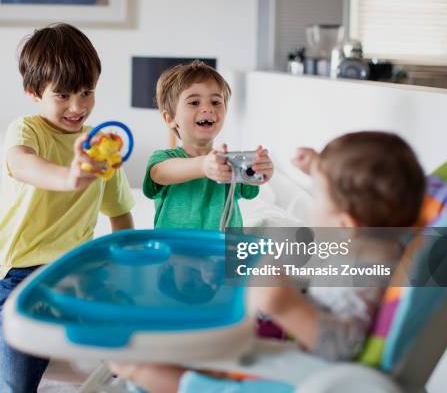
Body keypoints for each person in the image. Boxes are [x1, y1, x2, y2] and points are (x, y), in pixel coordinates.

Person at [112, 131, 425, 392]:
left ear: (345, 225)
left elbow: (344, 346)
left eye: (319, 196)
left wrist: (283, 304)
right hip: (301, 359)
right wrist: (318, 166)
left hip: (316, 377)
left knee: (156, 371)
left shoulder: (359, 269)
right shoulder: (377, 244)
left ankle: (136, 368)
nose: (315, 206)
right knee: (202, 350)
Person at [0, 23, 134, 393]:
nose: (77, 106)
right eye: (62, 95)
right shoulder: (25, 130)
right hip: (18, 273)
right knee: (16, 386)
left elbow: (119, 212)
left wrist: (124, 270)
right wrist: (70, 176)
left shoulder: (101, 144)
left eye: (86, 92)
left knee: (126, 354)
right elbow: (22, 164)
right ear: (34, 92)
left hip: (77, 271)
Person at [143, 60, 274, 230]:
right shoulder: (163, 159)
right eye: (194, 102)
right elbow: (160, 174)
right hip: (175, 251)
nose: (207, 108)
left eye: (215, 102)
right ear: (170, 118)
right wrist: (204, 165)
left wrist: (260, 169)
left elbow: (250, 185)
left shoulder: (230, 162)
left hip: (222, 250)